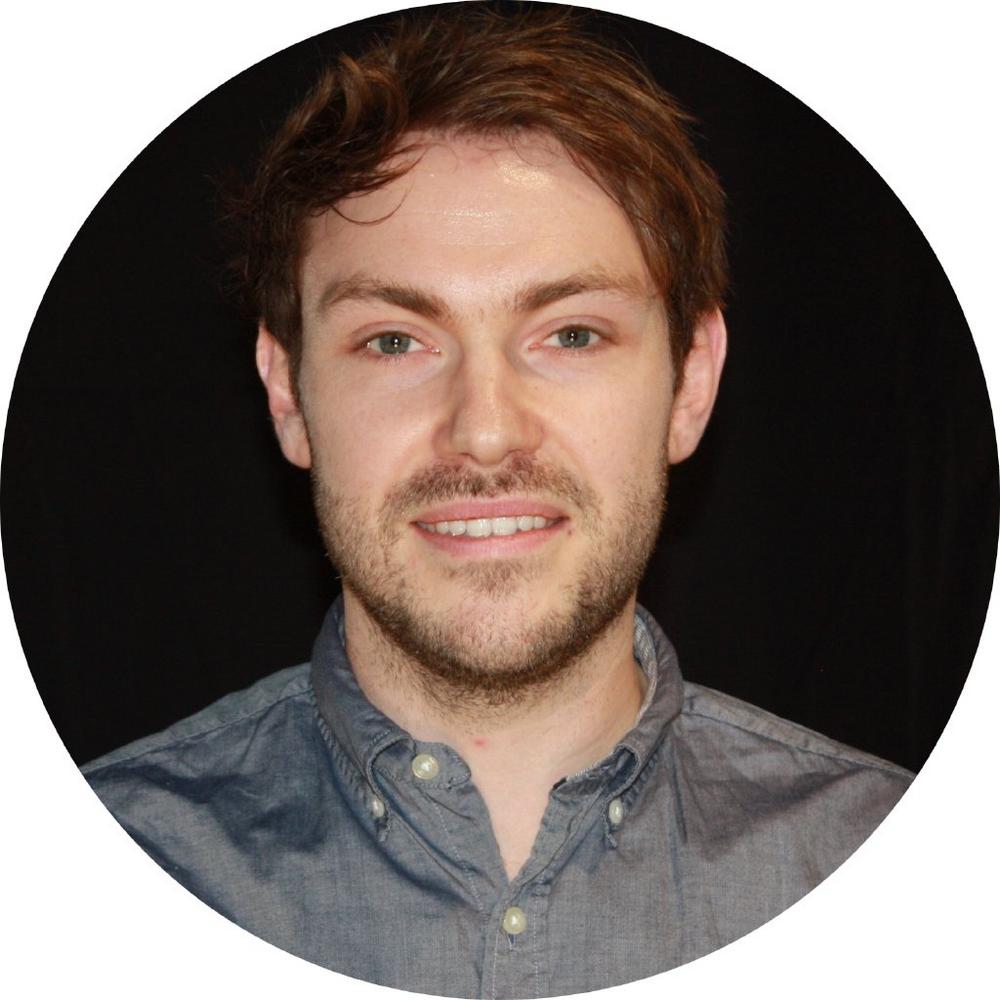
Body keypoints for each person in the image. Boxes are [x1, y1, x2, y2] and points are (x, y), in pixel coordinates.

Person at [82, 6, 912, 996]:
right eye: (395, 341)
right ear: (287, 395)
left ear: (690, 382)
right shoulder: (85, 879)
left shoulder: (898, 872)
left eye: (570, 335)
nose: (483, 430)